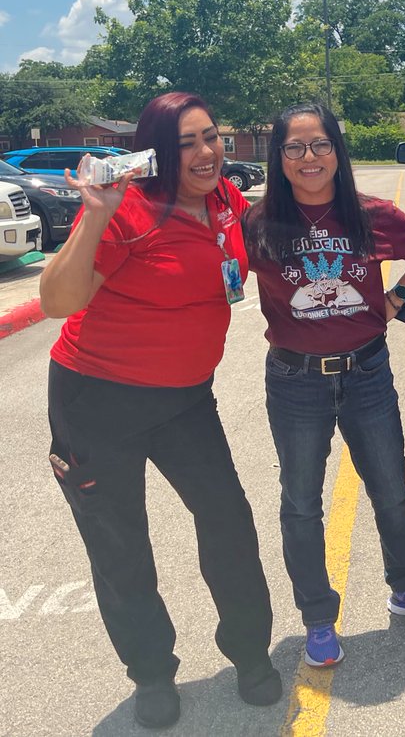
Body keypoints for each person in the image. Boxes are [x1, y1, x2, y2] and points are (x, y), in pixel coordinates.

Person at [40, 92, 279, 730]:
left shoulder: (226, 199)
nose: (206, 153)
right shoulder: (129, 211)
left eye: (212, 137)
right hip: (97, 400)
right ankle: (151, 671)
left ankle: (249, 652)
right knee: (120, 545)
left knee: (228, 521)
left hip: (185, 399)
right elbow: (58, 300)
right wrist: (93, 217)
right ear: (152, 154)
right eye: (186, 144)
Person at [242, 102, 405, 669]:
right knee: (302, 504)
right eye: (294, 148)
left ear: (337, 150)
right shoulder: (258, 225)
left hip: (366, 372)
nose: (309, 158)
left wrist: (395, 303)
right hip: (294, 381)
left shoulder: (370, 214)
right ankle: (317, 618)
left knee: (391, 487)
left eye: (320, 145)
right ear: (278, 158)